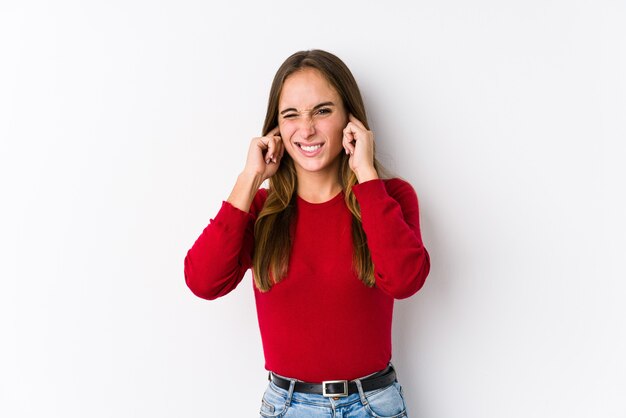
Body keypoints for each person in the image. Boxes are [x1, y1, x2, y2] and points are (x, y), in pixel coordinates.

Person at [184, 49, 430, 418]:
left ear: (350, 119)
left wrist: (365, 172)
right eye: (291, 115)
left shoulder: (388, 197)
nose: (307, 128)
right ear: (276, 130)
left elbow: (405, 280)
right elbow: (203, 281)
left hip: (374, 405)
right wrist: (249, 178)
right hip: (287, 406)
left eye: (322, 110)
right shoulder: (260, 210)